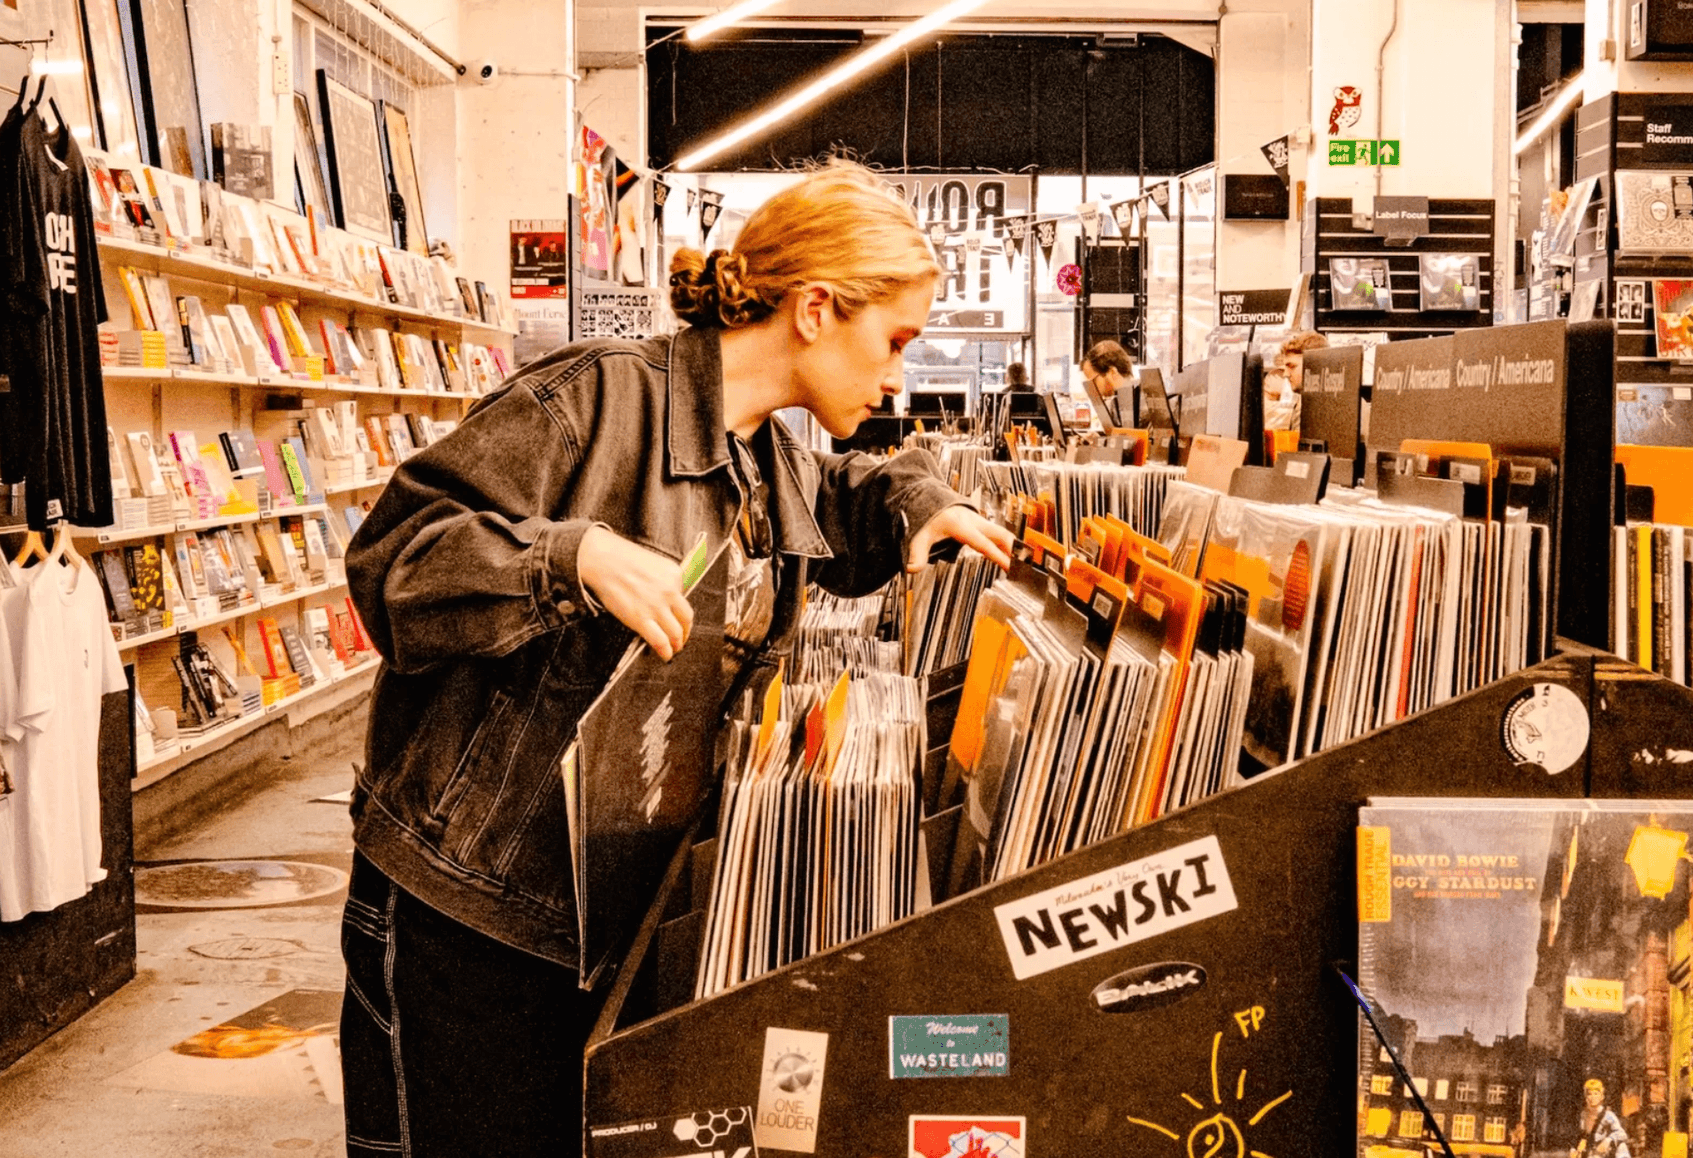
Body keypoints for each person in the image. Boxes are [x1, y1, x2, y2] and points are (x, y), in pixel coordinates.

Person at [338, 160, 1013, 1158]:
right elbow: (390, 565)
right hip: (468, 921)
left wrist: (924, 502)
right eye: (895, 341)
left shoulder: (765, 459)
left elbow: (857, 494)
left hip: (599, 923)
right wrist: (569, 557)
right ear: (816, 308)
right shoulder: (597, 397)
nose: (898, 375)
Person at [1263, 330, 1328, 431]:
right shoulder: (1302, 402)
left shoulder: (1313, 407)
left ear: (1315, 366)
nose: (1286, 374)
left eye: (1292, 367)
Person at [1572, 1079, 1633, 1158]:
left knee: (1622, 1146)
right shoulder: (1583, 1115)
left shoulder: (1608, 1115)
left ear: (1602, 1097)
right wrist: (1574, 1149)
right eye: (1589, 1094)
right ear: (1585, 1097)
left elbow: (1622, 1134)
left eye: (1596, 1094)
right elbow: (1582, 1136)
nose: (1592, 1097)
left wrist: (1608, 1140)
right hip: (1591, 1153)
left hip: (1606, 1152)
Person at [1080, 339, 1133, 427]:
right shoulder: (1113, 404)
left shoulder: (1143, 407)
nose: (1093, 389)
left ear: (1112, 372)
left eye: (1094, 381)